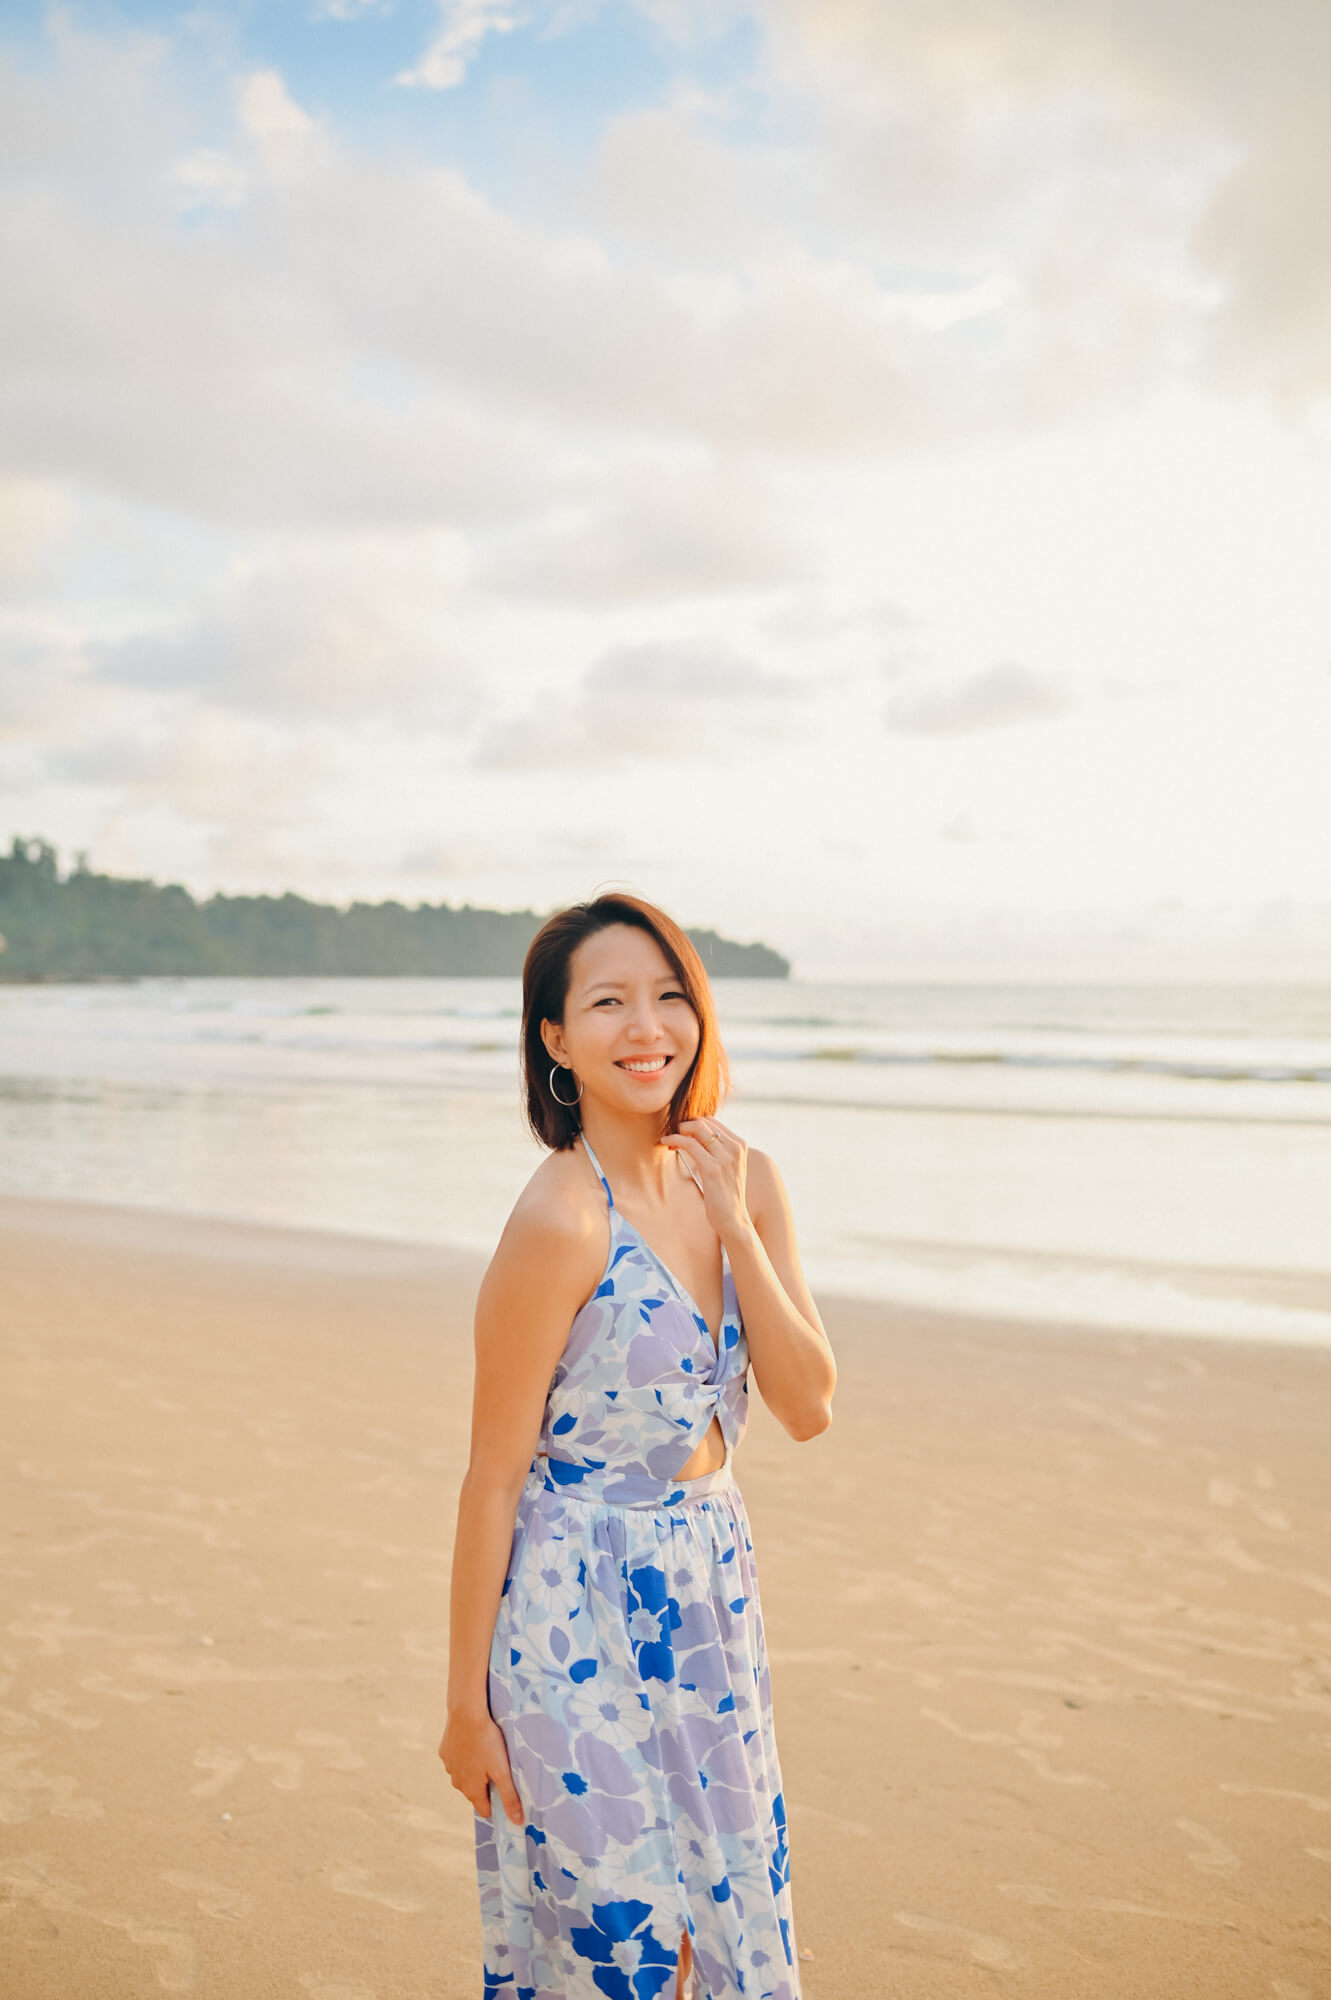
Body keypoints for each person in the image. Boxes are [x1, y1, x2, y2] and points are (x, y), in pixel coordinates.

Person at [439, 893, 836, 2000]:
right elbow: (491, 1476)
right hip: (569, 1613)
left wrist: (738, 1225)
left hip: (708, 1593)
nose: (644, 1025)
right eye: (606, 1001)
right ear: (556, 1040)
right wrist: (464, 1706)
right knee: (623, 1940)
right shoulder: (559, 1219)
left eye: (667, 996)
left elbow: (806, 1404)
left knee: (727, 1924)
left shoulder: (746, 1180)